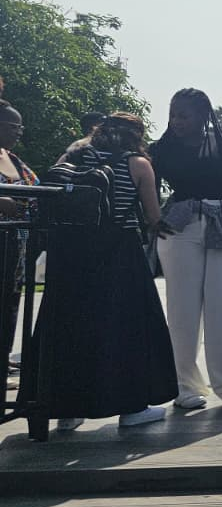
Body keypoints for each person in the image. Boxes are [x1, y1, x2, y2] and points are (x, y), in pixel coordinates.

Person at [31, 113, 177, 430]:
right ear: (136, 135)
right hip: (118, 255)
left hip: (69, 255)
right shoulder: (137, 163)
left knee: (70, 328)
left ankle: (66, 411)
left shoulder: (72, 153)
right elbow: (153, 217)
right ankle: (132, 407)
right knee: (126, 330)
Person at [149, 89, 222, 411]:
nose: (176, 121)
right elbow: (144, 185)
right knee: (182, 311)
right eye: (173, 114)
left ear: (203, 116)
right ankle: (184, 387)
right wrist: (152, 220)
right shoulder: (160, 150)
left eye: (184, 115)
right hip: (180, 229)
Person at [0, 99, 38, 388]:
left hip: (15, 250)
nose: (20, 132)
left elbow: (36, 189)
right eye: (14, 126)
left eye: (21, 127)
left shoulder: (14, 159)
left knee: (9, 309)